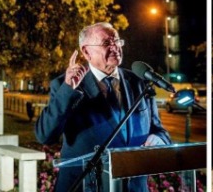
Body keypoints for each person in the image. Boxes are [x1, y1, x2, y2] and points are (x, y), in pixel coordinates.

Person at [35, 22, 171, 192]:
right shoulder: (66, 85)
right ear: (86, 51)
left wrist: (159, 139)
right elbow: (45, 136)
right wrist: (68, 90)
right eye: (107, 43)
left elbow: (159, 130)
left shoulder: (139, 82)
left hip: (133, 186)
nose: (115, 47)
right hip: (86, 185)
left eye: (117, 42)